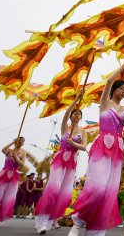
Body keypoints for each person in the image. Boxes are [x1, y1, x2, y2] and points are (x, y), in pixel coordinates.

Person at [68, 59, 124, 236]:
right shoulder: (105, 103)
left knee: (109, 189)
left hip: (117, 149)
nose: (123, 91)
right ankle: (78, 222)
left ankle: (95, 229)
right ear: (115, 89)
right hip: (102, 146)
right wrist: (123, 67)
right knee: (97, 185)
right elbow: (108, 82)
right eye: (122, 88)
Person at [35, 93, 88, 234]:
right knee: (53, 188)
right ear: (71, 116)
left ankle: (50, 222)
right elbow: (65, 113)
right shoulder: (65, 127)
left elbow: (84, 147)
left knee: (64, 193)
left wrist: (74, 143)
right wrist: (77, 99)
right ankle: (41, 222)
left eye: (79, 114)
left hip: (72, 162)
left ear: (81, 117)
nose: (76, 116)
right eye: (74, 114)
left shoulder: (83, 131)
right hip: (59, 160)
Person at [0, 136, 28, 227]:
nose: (21, 142)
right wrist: (12, 142)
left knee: (7, 200)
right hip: (3, 175)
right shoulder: (9, 150)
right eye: (20, 140)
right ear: (16, 141)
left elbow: (22, 164)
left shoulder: (23, 152)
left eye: (23, 141)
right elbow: (3, 150)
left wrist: (16, 158)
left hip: (13, 177)